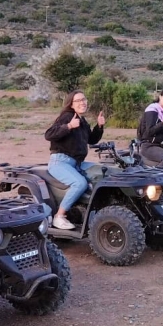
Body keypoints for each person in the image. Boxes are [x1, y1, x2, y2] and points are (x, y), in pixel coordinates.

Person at [44, 90, 105, 230]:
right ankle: (59, 217)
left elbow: (92, 140)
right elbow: (49, 134)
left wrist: (99, 126)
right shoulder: (67, 117)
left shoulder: (82, 121)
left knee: (100, 172)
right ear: (71, 104)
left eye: (84, 99)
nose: (83, 102)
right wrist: (69, 126)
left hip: (77, 163)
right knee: (79, 183)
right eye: (78, 100)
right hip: (60, 161)